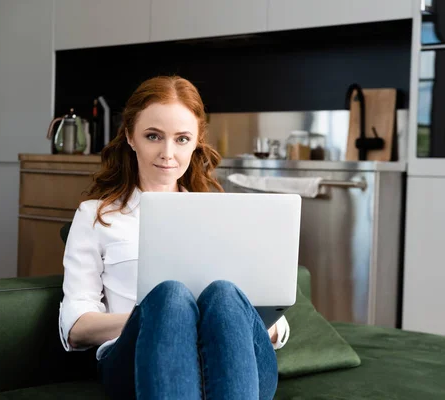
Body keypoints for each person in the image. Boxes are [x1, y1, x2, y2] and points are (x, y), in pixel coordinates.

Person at [59, 76, 290, 399]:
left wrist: (243, 315)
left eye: (182, 139)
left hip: (233, 360)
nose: (168, 153)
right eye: (153, 136)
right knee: (168, 296)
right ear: (130, 136)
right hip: (135, 361)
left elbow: (277, 330)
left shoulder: (225, 214)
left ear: (196, 142)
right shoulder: (95, 215)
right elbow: (75, 329)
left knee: (224, 293)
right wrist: (159, 316)